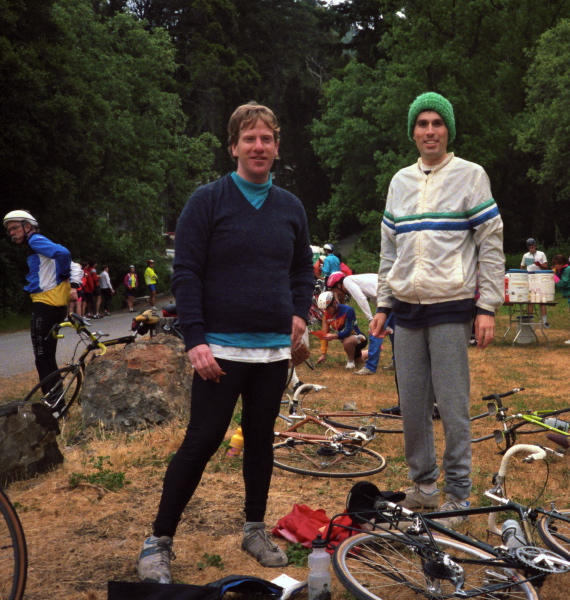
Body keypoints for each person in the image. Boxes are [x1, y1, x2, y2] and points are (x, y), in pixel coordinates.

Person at [136, 102, 315, 583]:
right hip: (218, 350)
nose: (259, 147)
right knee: (202, 440)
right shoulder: (208, 200)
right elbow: (187, 272)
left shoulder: (291, 207)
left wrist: (299, 311)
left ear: (277, 147)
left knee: (260, 440)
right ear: (234, 146)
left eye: (268, 139)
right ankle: (158, 541)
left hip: (272, 351)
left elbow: (302, 270)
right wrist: (194, 339)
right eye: (249, 138)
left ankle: (254, 529)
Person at [369, 92, 504, 528]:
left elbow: (491, 243)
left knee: (451, 404)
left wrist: (487, 307)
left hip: (451, 306)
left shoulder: (471, 175)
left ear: (448, 130)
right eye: (422, 124)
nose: (430, 131)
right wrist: (384, 303)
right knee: (411, 405)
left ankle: (459, 496)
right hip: (406, 308)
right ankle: (425, 486)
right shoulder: (400, 181)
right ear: (413, 132)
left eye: (437, 123)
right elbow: (390, 251)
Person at [4, 210, 76, 395]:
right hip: (52, 305)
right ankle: (56, 401)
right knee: (46, 357)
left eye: (14, 228)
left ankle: (54, 404)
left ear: (27, 226)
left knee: (43, 358)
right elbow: (69, 260)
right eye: (9, 230)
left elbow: (64, 253)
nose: (11, 232)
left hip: (46, 305)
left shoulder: (35, 240)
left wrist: (63, 277)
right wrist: (67, 281)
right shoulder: (39, 244)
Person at [326, 271, 392, 375]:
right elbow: (374, 298)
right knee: (393, 331)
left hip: (389, 295)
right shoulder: (358, 280)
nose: (337, 294)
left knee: (375, 333)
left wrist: (371, 319)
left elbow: (361, 298)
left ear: (339, 285)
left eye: (335, 291)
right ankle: (396, 361)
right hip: (391, 294)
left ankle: (370, 367)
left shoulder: (348, 281)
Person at [312, 291, 367, 369]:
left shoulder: (348, 310)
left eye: (328, 308)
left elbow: (348, 331)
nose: (326, 311)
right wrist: (323, 354)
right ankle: (372, 351)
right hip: (346, 340)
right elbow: (324, 334)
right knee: (359, 360)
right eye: (324, 309)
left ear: (334, 303)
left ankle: (350, 362)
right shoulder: (326, 315)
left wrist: (334, 336)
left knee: (347, 341)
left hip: (359, 337)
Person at [521, 238, 549, 328]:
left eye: (532, 247)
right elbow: (522, 266)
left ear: (535, 246)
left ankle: (544, 320)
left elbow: (546, 266)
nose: (531, 249)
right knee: (530, 300)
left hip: (540, 277)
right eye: (529, 248)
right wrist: (523, 275)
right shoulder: (525, 255)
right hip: (530, 277)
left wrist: (539, 264)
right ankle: (530, 319)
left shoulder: (541, 254)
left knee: (542, 299)